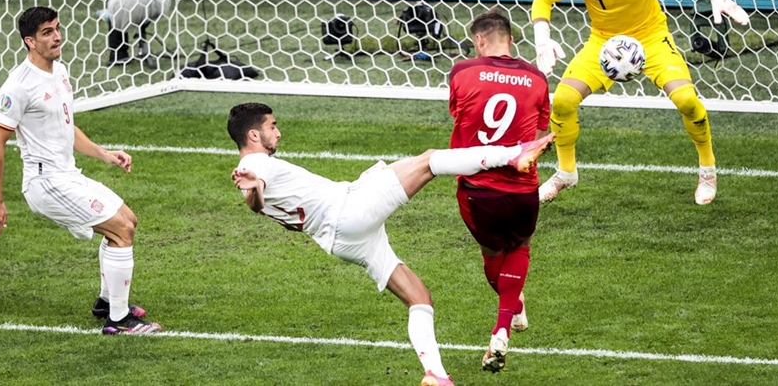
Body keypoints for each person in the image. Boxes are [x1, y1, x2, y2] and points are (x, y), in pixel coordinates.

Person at [227, 102, 555, 386]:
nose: (278, 132)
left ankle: (436, 375)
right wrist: (255, 187)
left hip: (342, 239)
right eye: (272, 126)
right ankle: (513, 155)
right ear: (254, 135)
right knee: (429, 161)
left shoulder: (252, 171)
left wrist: (255, 191)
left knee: (419, 298)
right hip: (349, 210)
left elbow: (256, 202)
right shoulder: (254, 165)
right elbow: (255, 193)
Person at [530, 0, 749, 205]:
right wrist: (542, 39)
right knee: (564, 101)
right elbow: (542, 0)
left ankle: (708, 172)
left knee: (687, 101)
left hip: (652, 38)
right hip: (603, 43)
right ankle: (566, 173)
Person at [0, 6, 161, 335]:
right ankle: (119, 320)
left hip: (67, 175)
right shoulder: (18, 86)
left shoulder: (60, 71)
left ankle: (107, 301)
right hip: (45, 183)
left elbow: (66, 125)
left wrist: (104, 154)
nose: (57, 37)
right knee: (121, 229)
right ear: (30, 41)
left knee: (129, 220)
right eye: (47, 33)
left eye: (57, 28)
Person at [447, 9, 551, 372]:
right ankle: (503, 326)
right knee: (520, 247)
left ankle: (513, 310)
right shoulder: (537, 78)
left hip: (478, 190)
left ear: (479, 40)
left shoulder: (461, 71)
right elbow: (540, 136)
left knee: (492, 253)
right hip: (523, 190)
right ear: (511, 39)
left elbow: (459, 114)